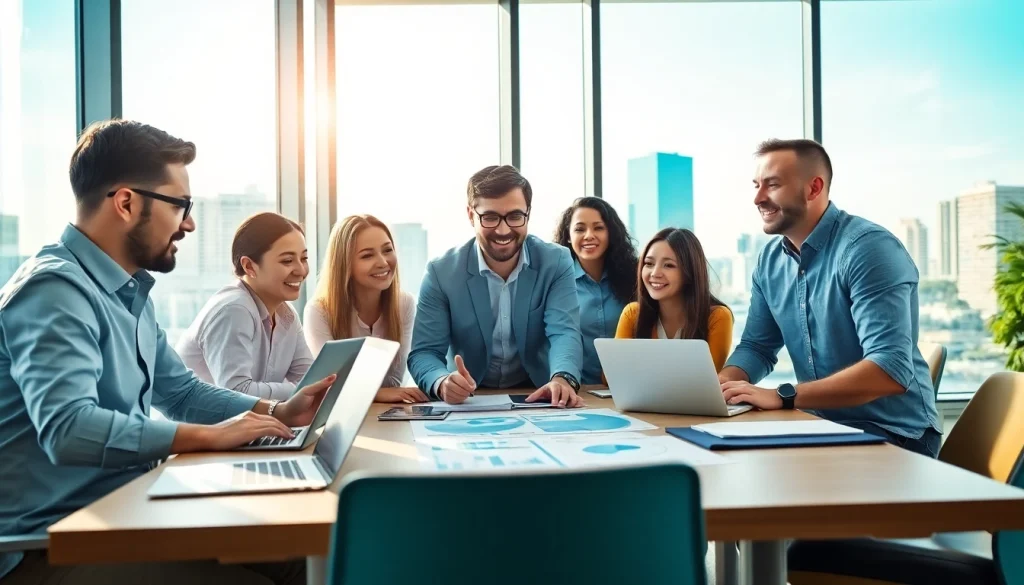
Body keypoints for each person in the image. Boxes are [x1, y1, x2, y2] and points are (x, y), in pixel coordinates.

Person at [0, 119, 333, 585]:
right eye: (181, 205)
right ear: (126, 202)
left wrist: (277, 409)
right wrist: (204, 437)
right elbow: (67, 428)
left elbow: (178, 392)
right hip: (52, 544)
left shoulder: (128, 291)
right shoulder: (54, 289)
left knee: (306, 556)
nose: (190, 223)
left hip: (126, 511)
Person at [719, 138, 942, 457]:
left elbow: (889, 368)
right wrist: (724, 385)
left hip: (895, 435)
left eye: (773, 185)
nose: (758, 198)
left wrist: (783, 395)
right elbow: (757, 346)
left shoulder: (869, 249)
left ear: (813, 188)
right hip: (820, 424)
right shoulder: (769, 260)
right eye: (756, 185)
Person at [408, 165, 584, 407]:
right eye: (490, 217)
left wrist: (563, 378)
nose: (503, 230)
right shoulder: (441, 272)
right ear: (471, 215)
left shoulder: (556, 262)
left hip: (537, 394)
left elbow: (564, 332)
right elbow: (424, 352)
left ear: (528, 213)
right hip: (469, 400)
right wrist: (441, 381)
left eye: (514, 216)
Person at [175, 212, 313, 400]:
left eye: (304, 258)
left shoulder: (286, 314)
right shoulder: (233, 309)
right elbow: (236, 392)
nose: (301, 270)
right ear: (249, 266)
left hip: (247, 427)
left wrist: (306, 389)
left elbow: (312, 380)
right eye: (287, 261)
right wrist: (298, 391)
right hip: (204, 427)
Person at [303, 214, 426, 403]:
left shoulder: (404, 304)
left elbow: (393, 382)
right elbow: (328, 384)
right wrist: (378, 394)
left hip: (383, 414)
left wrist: (376, 393)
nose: (383, 262)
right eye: (367, 255)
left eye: (387, 250)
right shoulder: (319, 310)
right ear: (345, 264)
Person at [614, 228, 733, 370]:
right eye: (649, 263)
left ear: (690, 272)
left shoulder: (717, 317)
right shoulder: (633, 314)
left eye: (669, 265)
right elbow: (610, 375)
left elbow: (708, 379)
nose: (655, 273)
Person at [554, 197, 637, 384]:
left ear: (611, 233)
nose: (589, 235)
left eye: (598, 228)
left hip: (631, 385)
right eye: (579, 229)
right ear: (568, 235)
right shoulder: (557, 282)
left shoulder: (634, 278)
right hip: (575, 388)